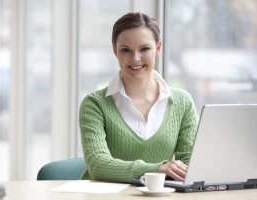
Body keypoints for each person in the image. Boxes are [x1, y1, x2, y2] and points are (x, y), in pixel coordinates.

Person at [79, 12, 198, 183]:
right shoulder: (95, 104)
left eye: (144, 49)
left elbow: (189, 165)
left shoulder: (182, 102)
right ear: (115, 51)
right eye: (126, 50)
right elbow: (98, 165)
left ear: (158, 48)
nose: (135, 59)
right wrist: (158, 169)